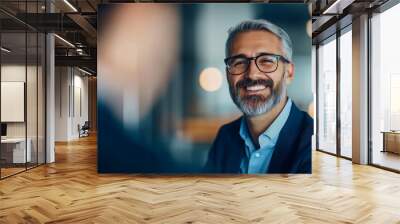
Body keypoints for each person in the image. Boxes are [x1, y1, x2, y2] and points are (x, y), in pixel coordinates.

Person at [205, 19, 313, 174]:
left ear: (289, 73)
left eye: (266, 61)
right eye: (239, 62)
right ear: (228, 74)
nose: (252, 74)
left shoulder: (314, 142)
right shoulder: (226, 137)